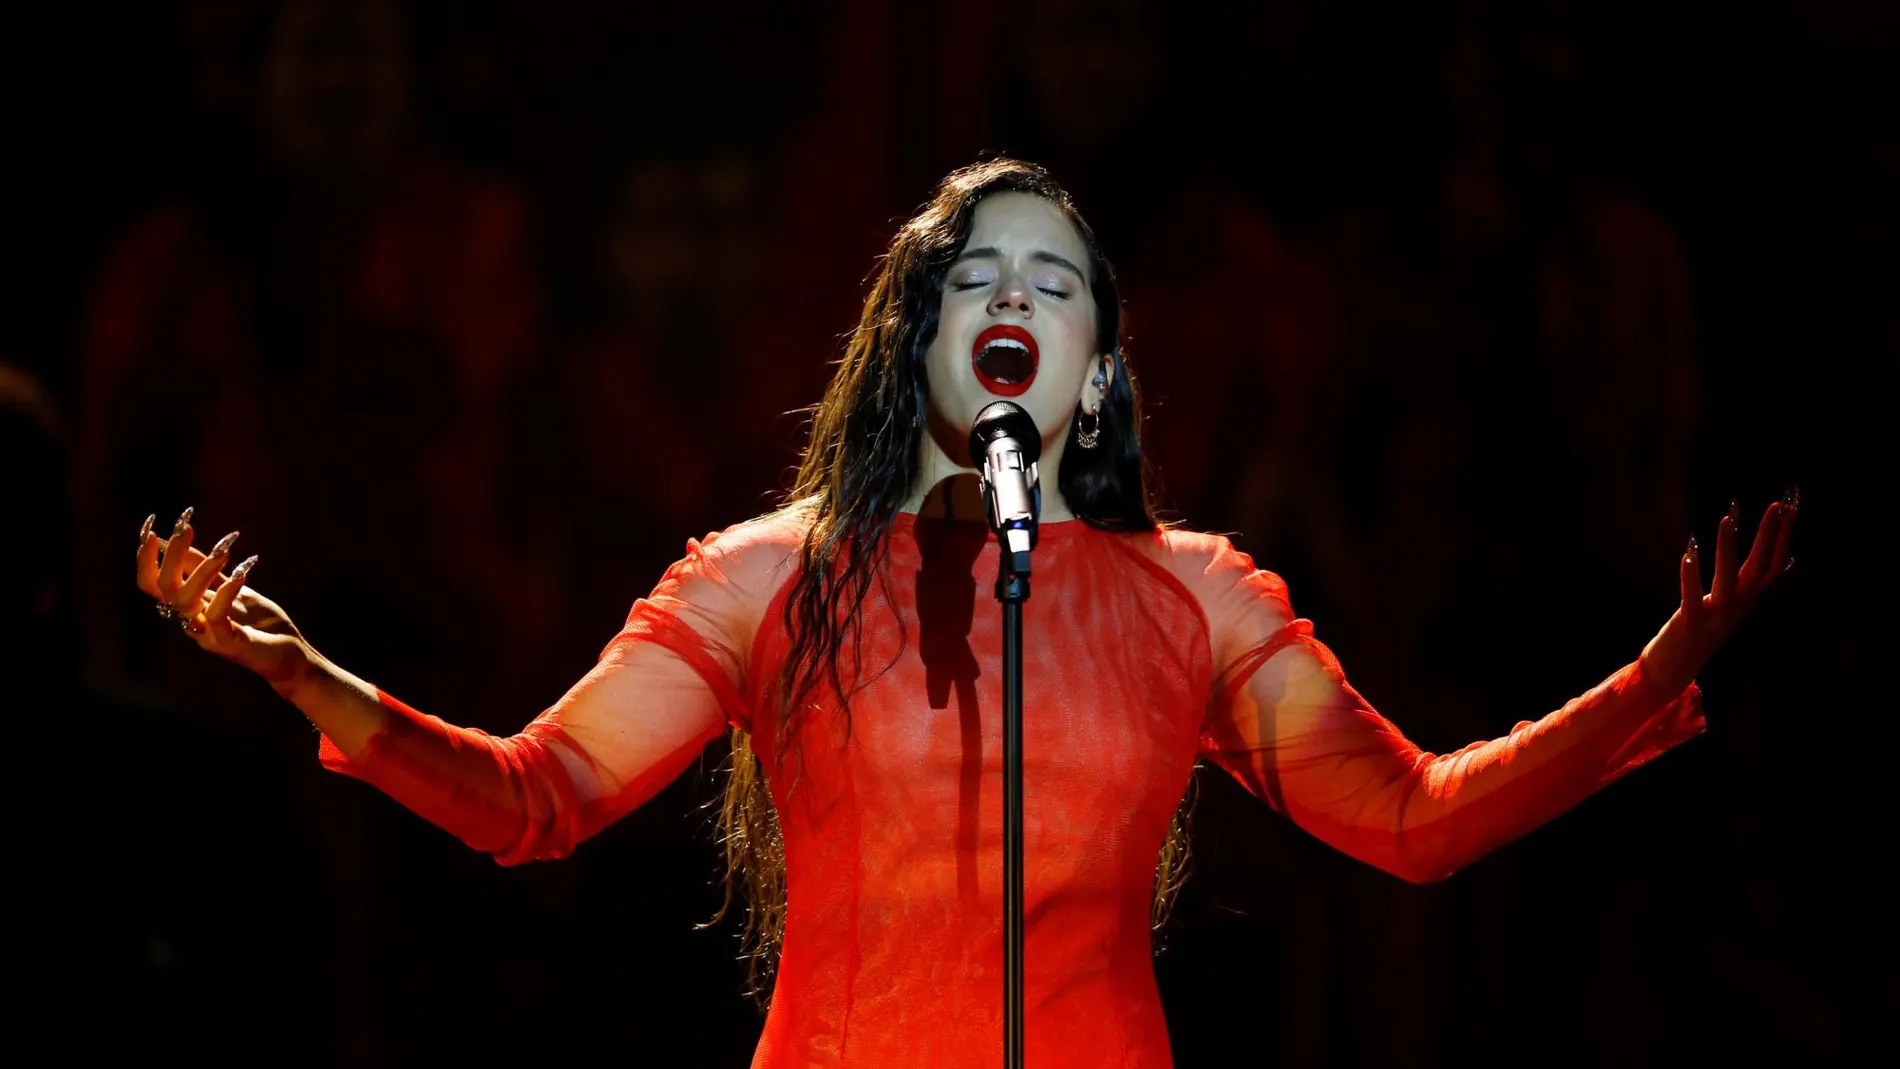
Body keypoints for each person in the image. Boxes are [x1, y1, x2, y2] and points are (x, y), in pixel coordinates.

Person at [133, 158, 1795, 1068]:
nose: (1014, 297)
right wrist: (310, 677)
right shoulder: (765, 580)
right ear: (907, 334)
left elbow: (1416, 825)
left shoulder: (1196, 602)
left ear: (1095, 370)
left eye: (1053, 281)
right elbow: (532, 799)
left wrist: (1646, 684)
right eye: (976, 276)